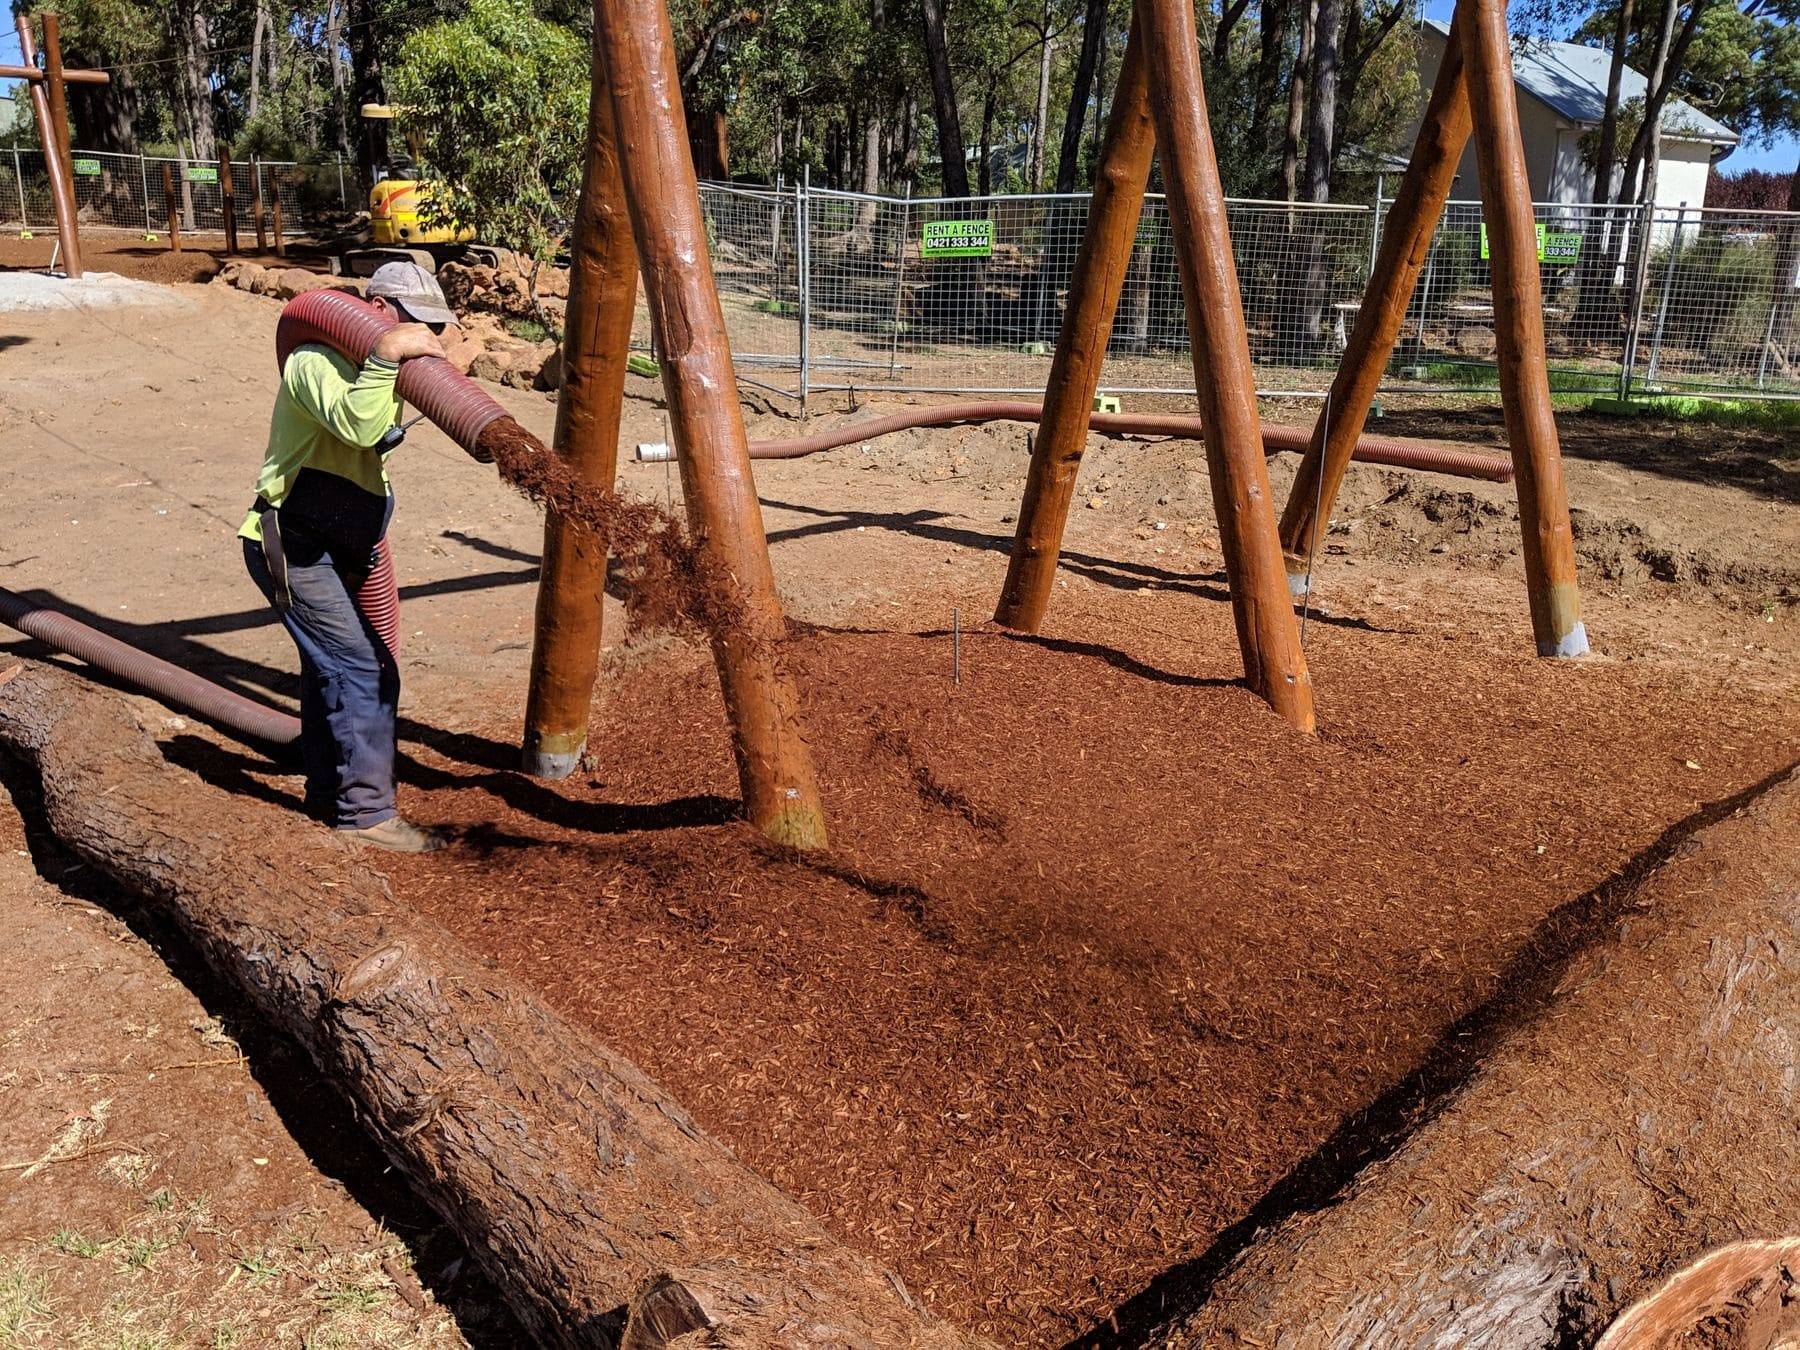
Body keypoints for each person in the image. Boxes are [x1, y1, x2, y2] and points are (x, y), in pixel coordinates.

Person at [241, 262, 454, 853]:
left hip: (335, 545)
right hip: (293, 544)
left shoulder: (371, 372)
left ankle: (327, 790)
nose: (425, 334)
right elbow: (360, 429)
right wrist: (386, 355)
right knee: (362, 669)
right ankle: (366, 815)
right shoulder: (313, 362)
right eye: (418, 322)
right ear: (380, 310)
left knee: (331, 667)